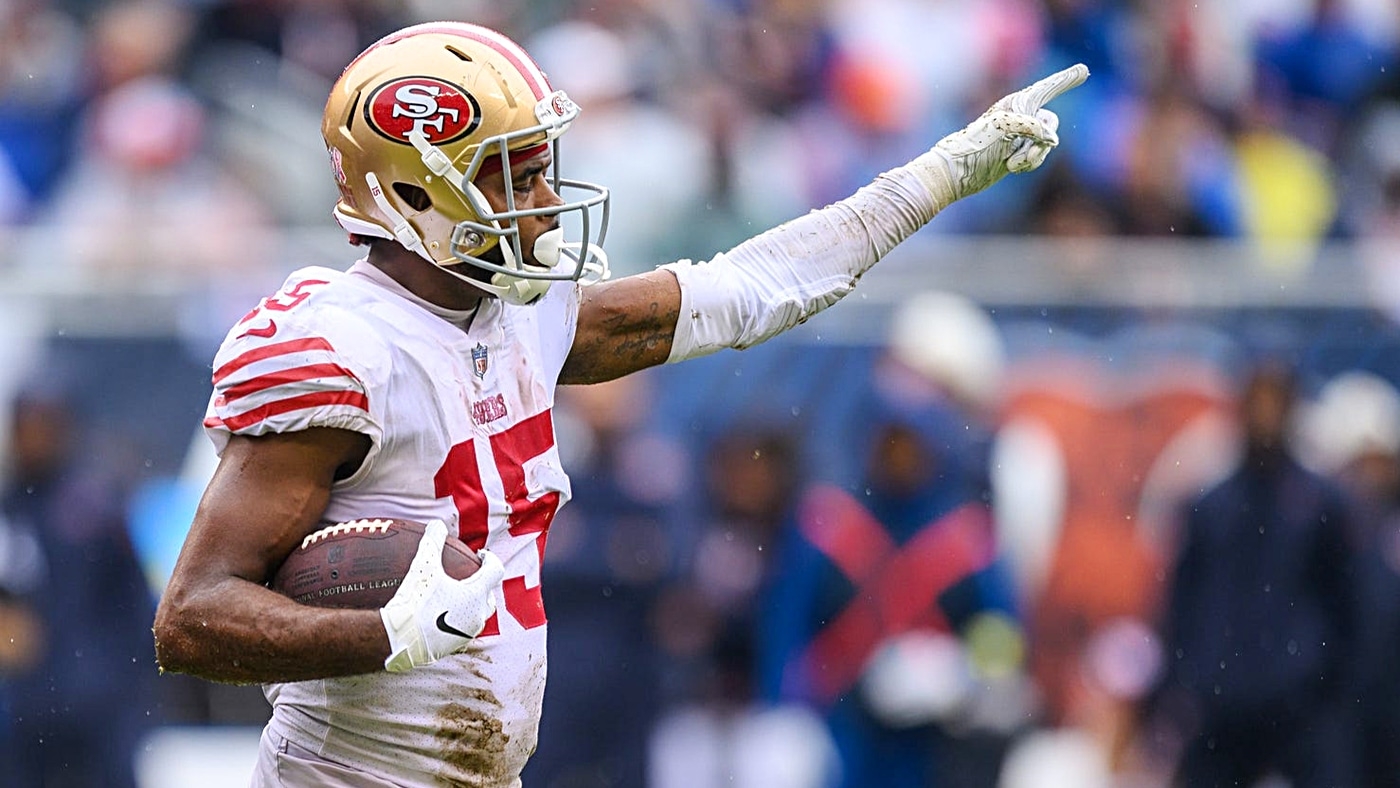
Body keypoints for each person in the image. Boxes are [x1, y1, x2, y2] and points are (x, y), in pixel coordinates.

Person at [150, 19, 1088, 788]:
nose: (545, 201)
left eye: (539, 165)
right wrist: (381, 633)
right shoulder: (341, 351)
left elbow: (753, 288)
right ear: (411, 190)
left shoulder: (528, 319)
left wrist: (940, 175)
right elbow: (189, 620)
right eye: (509, 175)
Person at [1148, 359, 1362, 788]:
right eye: (1257, 403)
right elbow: (1182, 606)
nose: (1265, 416)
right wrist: (1181, 683)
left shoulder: (1322, 506)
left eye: (1275, 403)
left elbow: (1347, 609)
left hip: (1300, 707)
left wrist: (1322, 682)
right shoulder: (1211, 506)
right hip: (1222, 703)